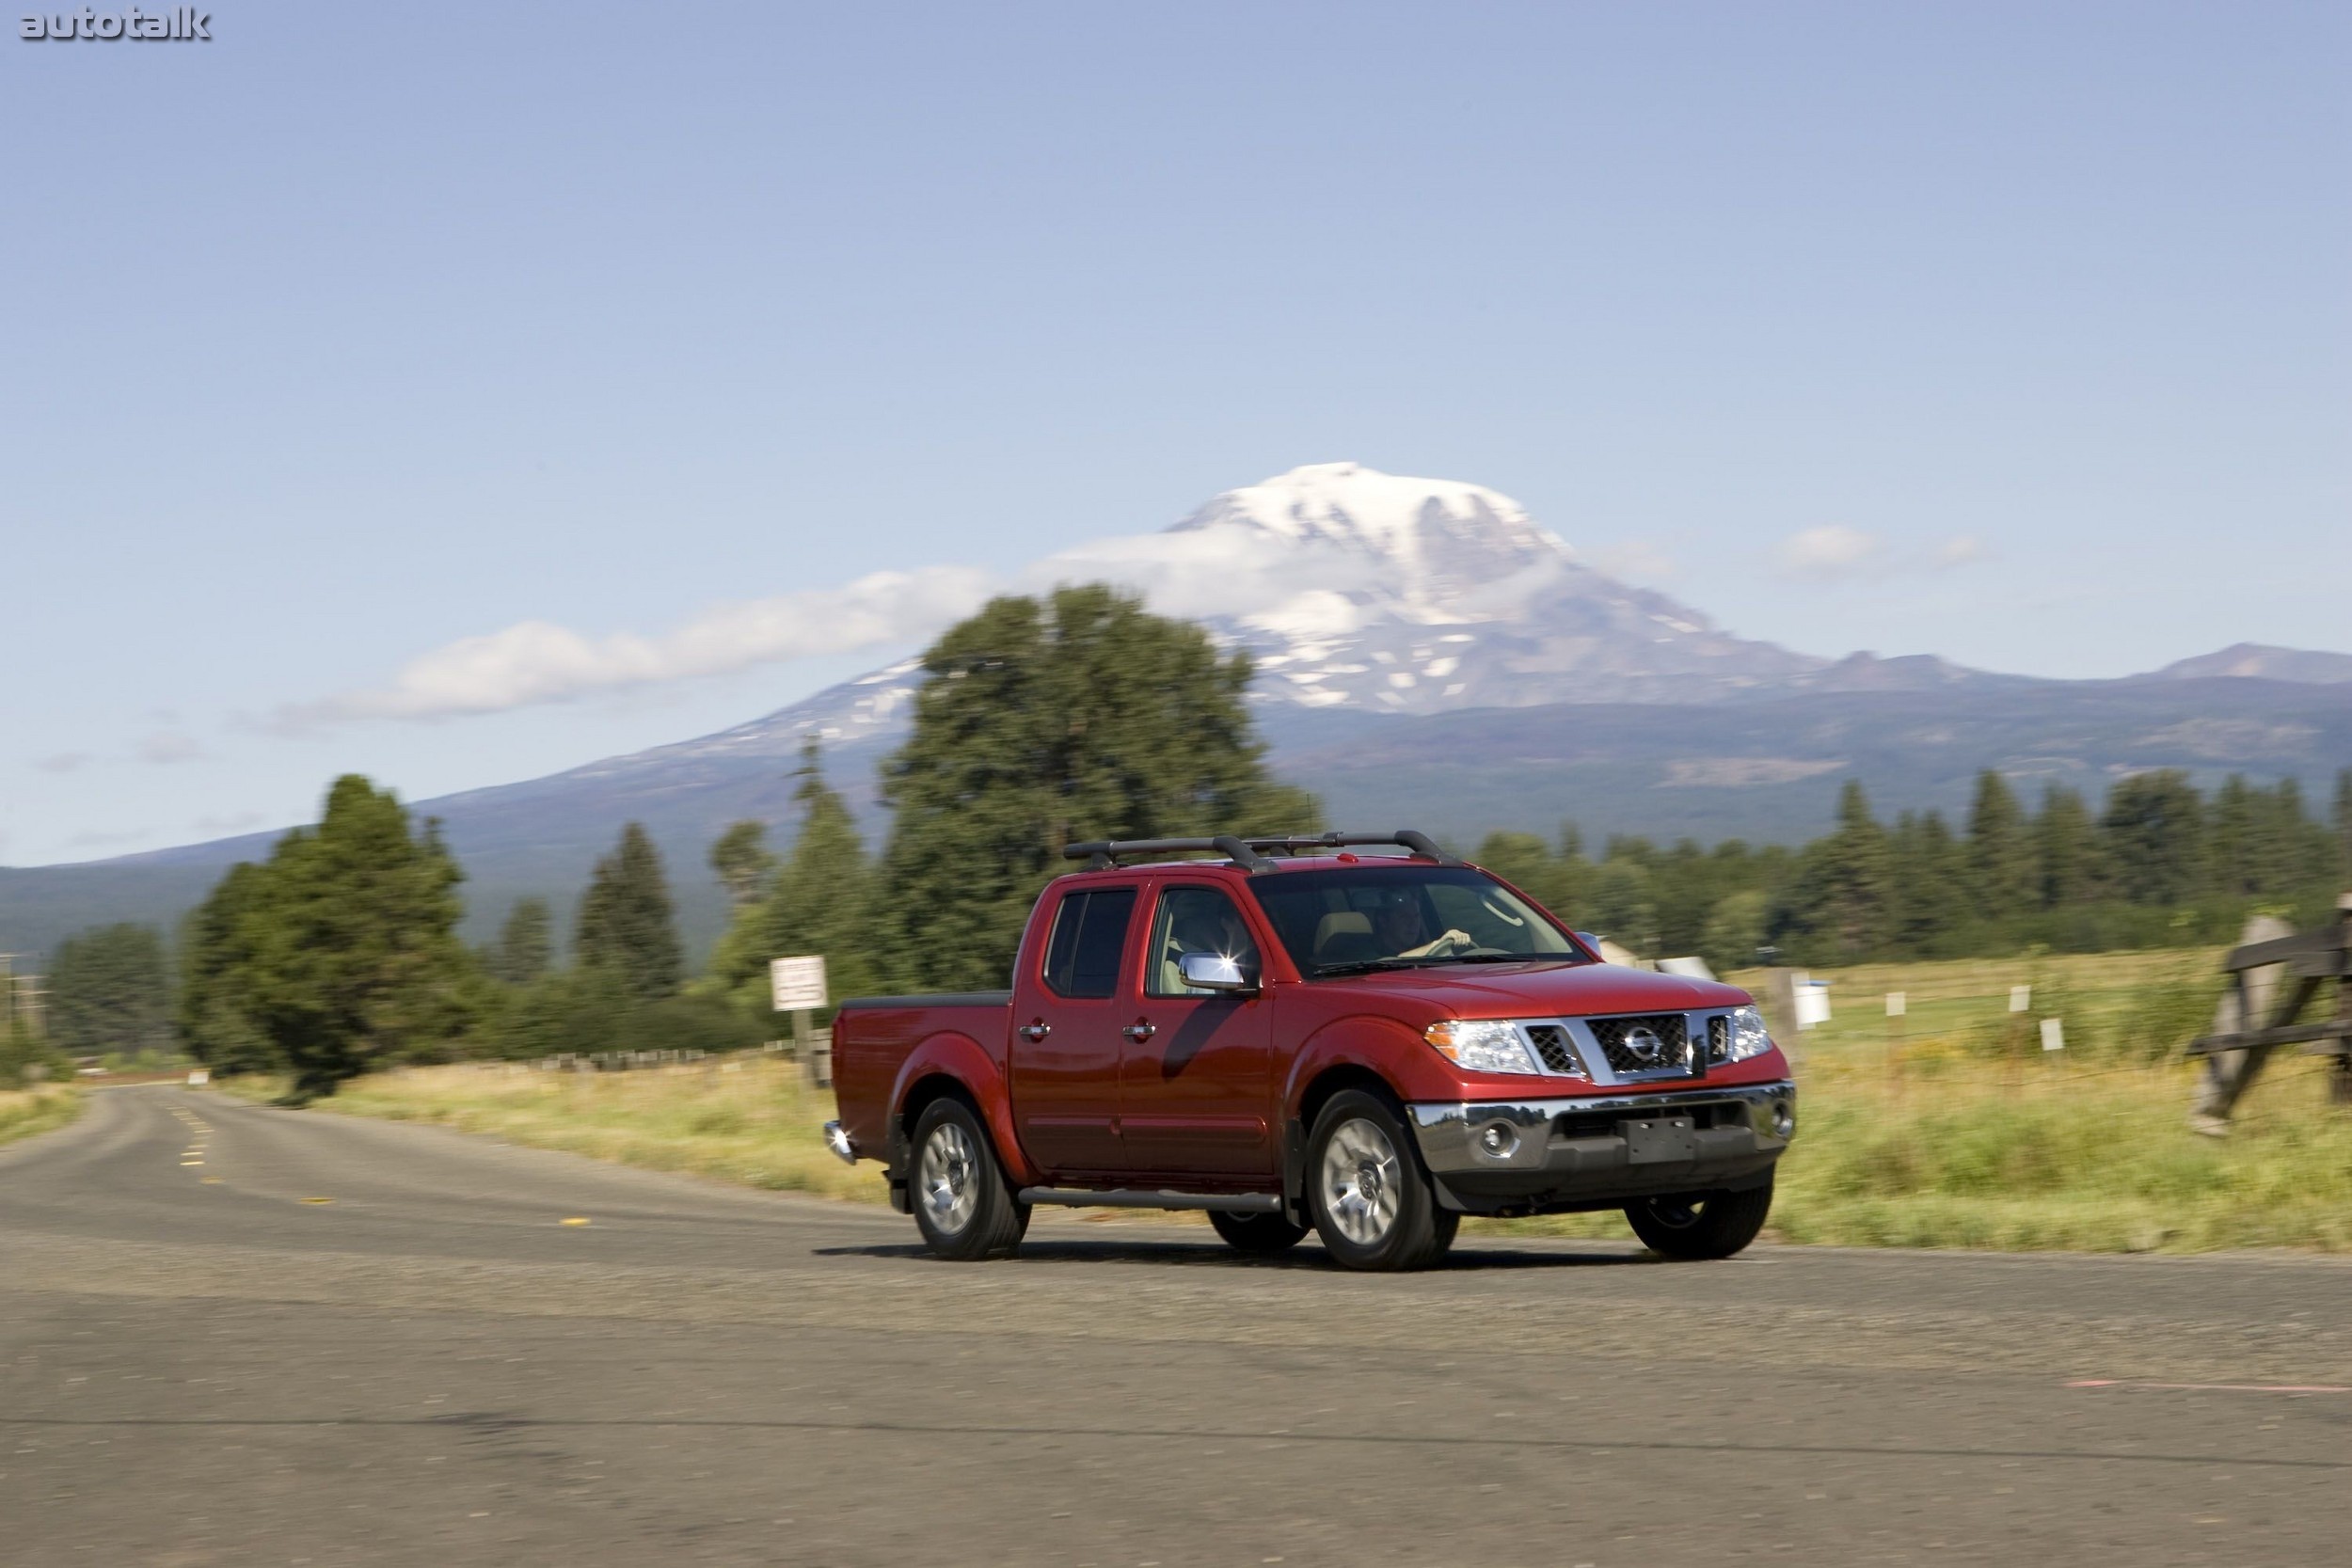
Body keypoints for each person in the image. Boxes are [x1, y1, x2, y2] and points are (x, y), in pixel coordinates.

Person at [1370, 887, 1472, 959]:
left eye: (1416, 916)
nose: (1412, 923)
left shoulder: (1422, 943)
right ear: (1383, 921)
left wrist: (1456, 941)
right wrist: (1436, 945)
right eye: (1404, 917)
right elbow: (1387, 962)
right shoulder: (1366, 953)